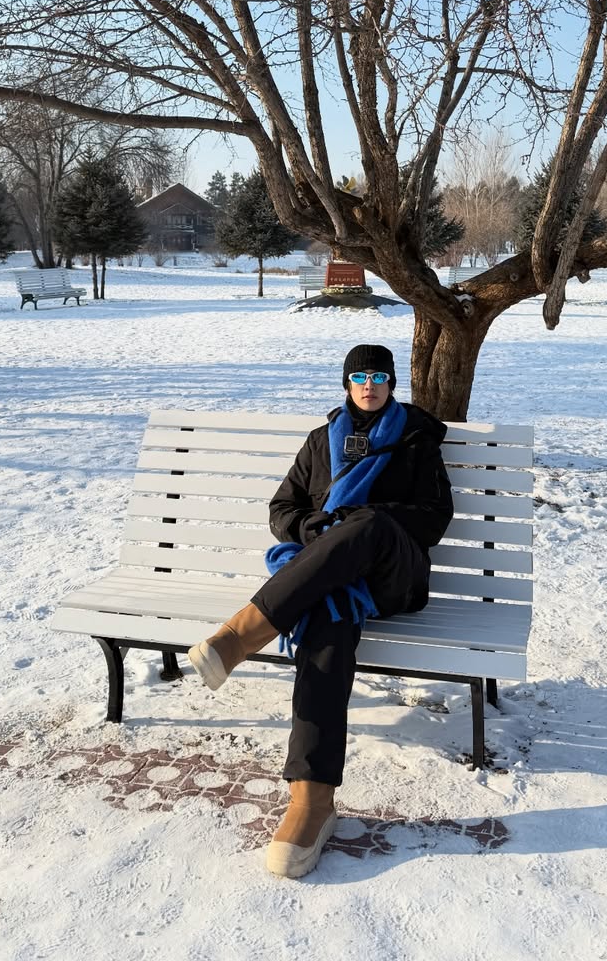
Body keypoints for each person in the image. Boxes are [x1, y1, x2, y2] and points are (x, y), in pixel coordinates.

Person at [187, 344, 453, 878]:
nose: (369, 385)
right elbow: (282, 509)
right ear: (347, 383)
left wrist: (360, 519)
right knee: (327, 622)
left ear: (392, 383)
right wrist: (312, 528)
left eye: (379, 376)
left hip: (392, 576)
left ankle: (240, 637)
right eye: (360, 376)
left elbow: (433, 517)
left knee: (368, 524)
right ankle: (311, 801)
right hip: (326, 580)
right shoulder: (320, 441)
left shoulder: (416, 438)